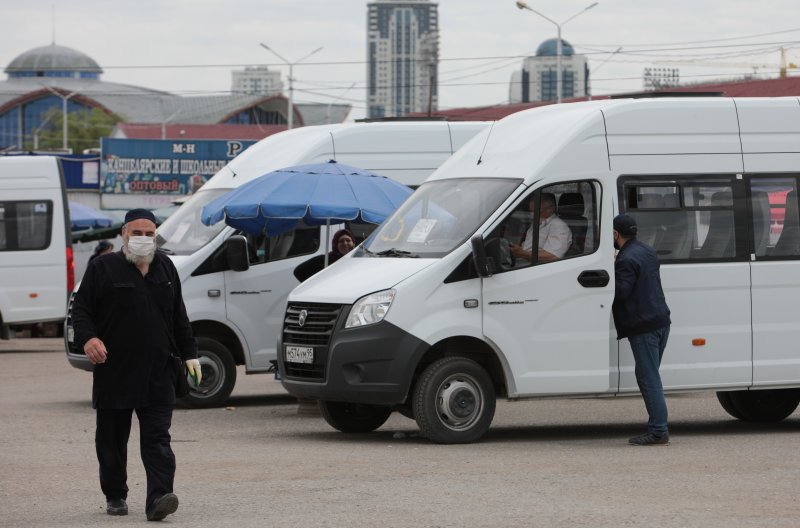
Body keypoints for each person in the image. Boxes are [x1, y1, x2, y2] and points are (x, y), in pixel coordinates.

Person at [71, 208, 200, 520]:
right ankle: (115, 494)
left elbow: (179, 316)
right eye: (136, 233)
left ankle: (159, 498)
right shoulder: (103, 268)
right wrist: (89, 339)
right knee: (112, 440)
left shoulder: (166, 267)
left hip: (158, 371)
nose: (143, 239)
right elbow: (82, 310)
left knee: (158, 439)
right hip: (115, 370)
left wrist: (190, 353)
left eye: (149, 233)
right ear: (123, 235)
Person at [612, 214, 672, 446]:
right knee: (647, 376)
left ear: (616, 234)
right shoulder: (647, 250)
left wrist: (609, 271)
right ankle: (657, 425)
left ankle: (658, 431)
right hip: (661, 321)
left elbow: (622, 291)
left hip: (644, 325)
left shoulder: (626, 259)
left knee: (649, 378)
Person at [509, 193, 572, 263]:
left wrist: (523, 254)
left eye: (535, 211)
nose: (531, 214)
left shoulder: (558, 226)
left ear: (550, 209)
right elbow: (529, 248)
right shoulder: (537, 223)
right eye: (530, 211)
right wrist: (517, 250)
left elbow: (552, 256)